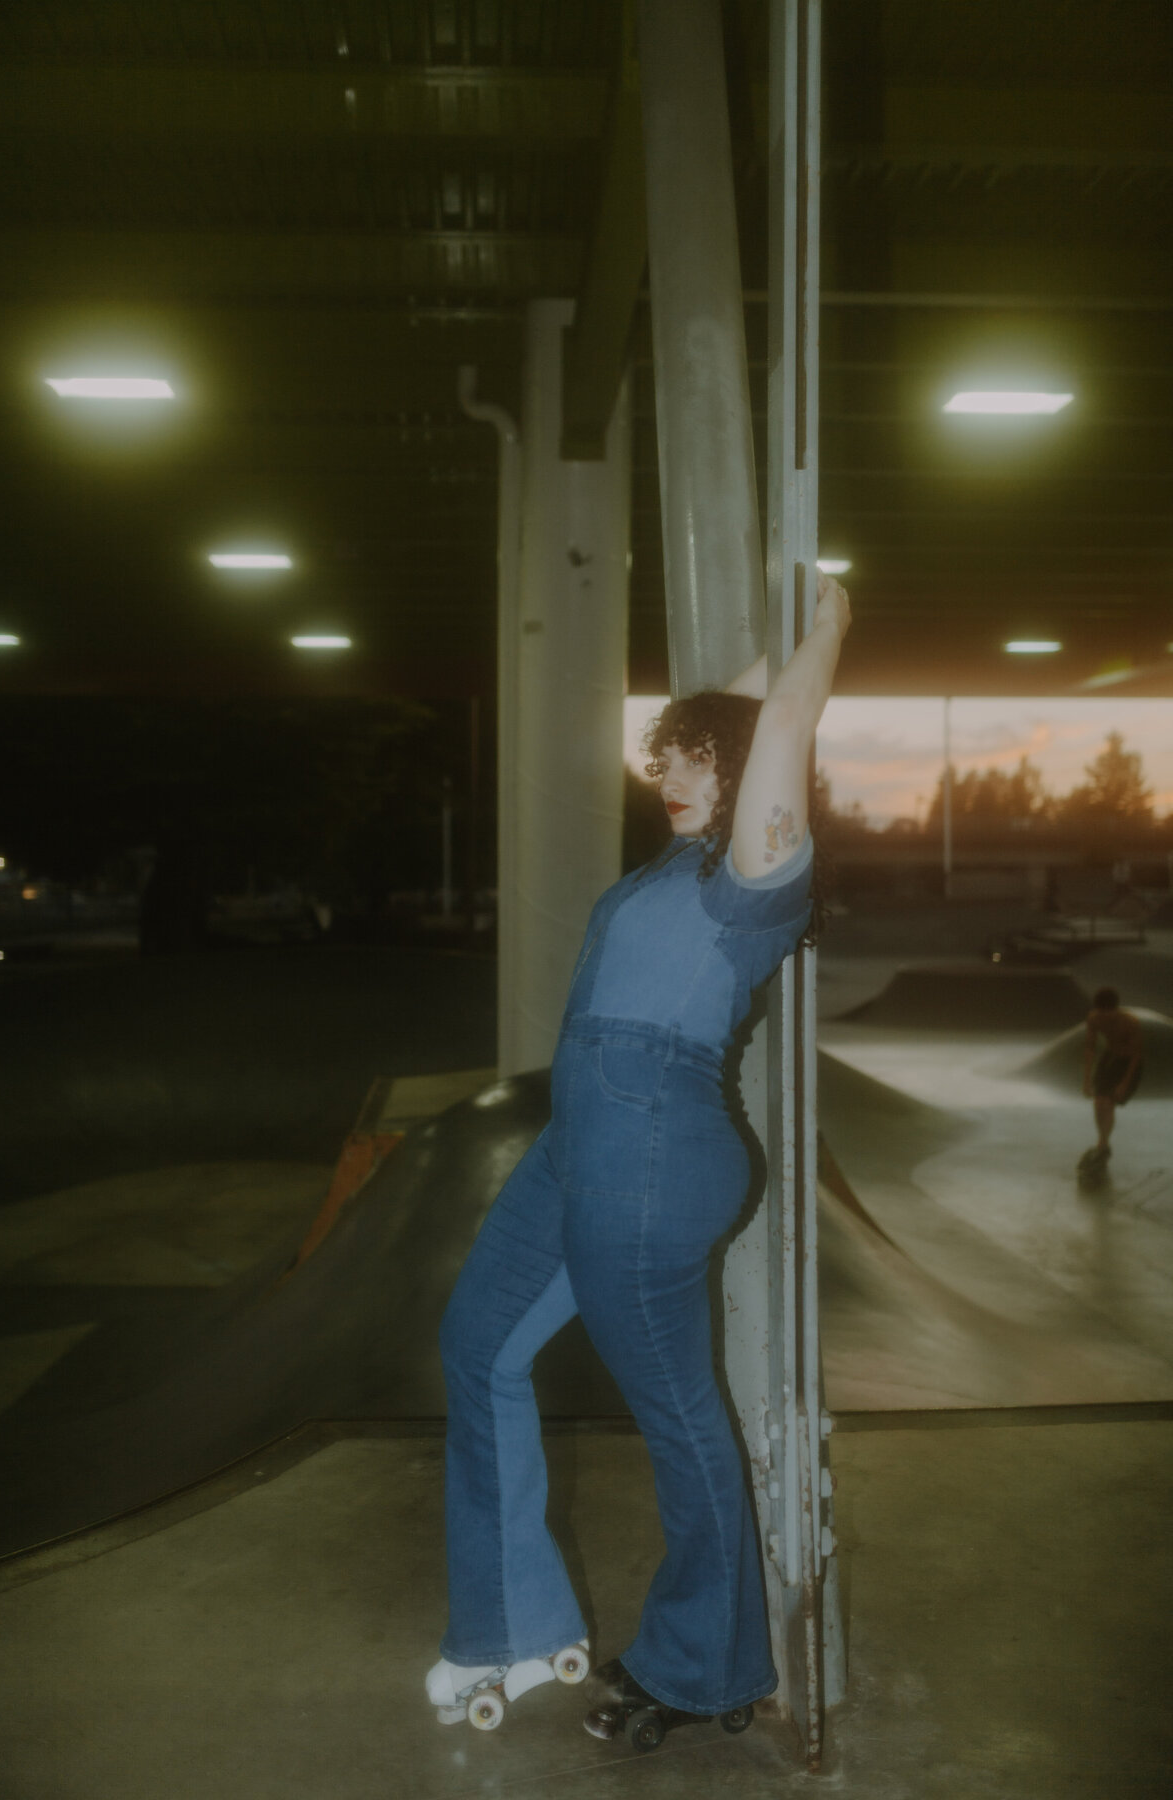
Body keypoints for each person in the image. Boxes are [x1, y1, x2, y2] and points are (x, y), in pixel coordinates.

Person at [426, 575, 850, 1742]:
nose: (662, 774)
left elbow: (778, 735)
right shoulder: (672, 870)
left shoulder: (756, 880)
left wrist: (828, 635)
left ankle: (699, 1671)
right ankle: (509, 1625)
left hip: (657, 1157)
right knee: (476, 1345)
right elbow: (736, 715)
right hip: (581, 1144)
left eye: (690, 759)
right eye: (660, 757)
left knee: (676, 1416)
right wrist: (754, 661)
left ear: (743, 772)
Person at [1081, 986, 1143, 1167]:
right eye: (1102, 1012)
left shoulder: (1130, 1022)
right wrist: (1086, 1080)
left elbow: (1136, 1055)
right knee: (1099, 1102)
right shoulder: (1094, 1018)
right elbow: (1090, 1049)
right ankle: (1103, 1142)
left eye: (1109, 1013)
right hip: (1109, 1059)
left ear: (1115, 1009)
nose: (1105, 1016)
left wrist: (1124, 1083)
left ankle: (1103, 1143)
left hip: (1129, 1063)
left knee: (1108, 1103)